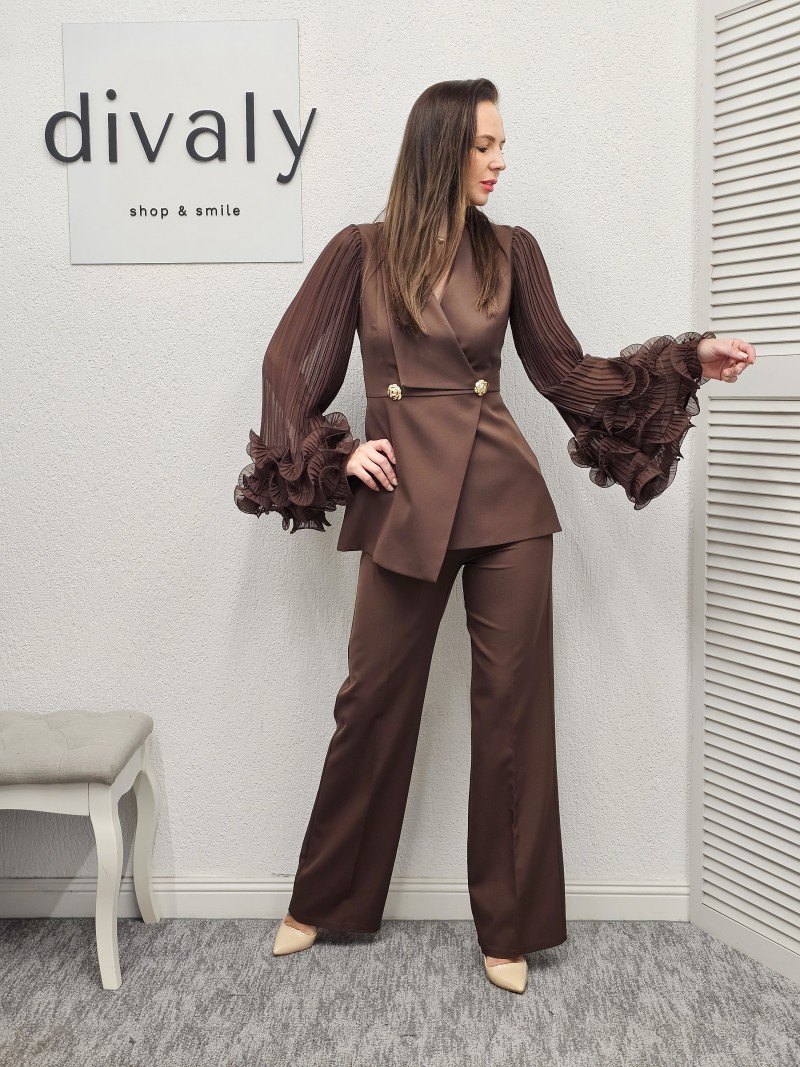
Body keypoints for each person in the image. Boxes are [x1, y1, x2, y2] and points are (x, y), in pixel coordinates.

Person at [235, 78, 756, 993]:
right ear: (440, 147)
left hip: (507, 503)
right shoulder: (360, 251)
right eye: (484, 146)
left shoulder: (512, 251)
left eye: (501, 145)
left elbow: (565, 371)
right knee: (372, 699)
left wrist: (687, 359)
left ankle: (507, 925)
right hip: (404, 500)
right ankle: (324, 896)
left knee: (512, 712)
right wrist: (339, 453)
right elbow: (288, 362)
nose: (500, 162)